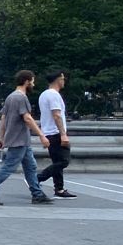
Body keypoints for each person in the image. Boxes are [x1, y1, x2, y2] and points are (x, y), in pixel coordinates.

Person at [0, 70, 54, 206]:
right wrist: (42, 135)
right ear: (26, 81)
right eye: (32, 81)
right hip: (19, 139)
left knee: (30, 167)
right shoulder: (21, 98)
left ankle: (37, 194)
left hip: (21, 140)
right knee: (9, 166)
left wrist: (2, 137)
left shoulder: (10, 97)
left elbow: (3, 118)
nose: (33, 84)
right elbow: (27, 118)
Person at [36, 71, 76, 199]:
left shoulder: (44, 94)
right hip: (55, 132)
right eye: (63, 79)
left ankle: (59, 188)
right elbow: (57, 115)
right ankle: (37, 179)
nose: (64, 81)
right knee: (64, 161)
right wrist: (63, 134)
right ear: (58, 80)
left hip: (48, 132)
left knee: (57, 161)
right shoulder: (54, 95)